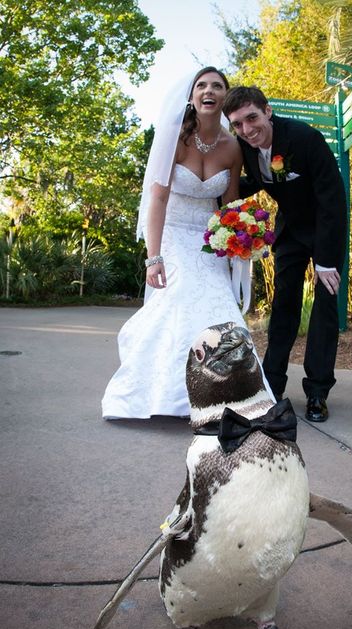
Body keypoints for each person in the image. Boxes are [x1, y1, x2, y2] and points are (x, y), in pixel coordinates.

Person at [102, 67, 248, 419]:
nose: (209, 90)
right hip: (172, 233)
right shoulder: (174, 139)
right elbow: (158, 201)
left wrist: (237, 246)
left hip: (208, 240)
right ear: (192, 96)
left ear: (224, 96)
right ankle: (168, 394)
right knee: (181, 300)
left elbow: (228, 208)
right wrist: (154, 258)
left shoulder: (232, 148)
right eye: (201, 85)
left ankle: (228, 393)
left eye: (217, 85)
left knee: (220, 308)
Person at [223, 86, 347, 423]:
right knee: (283, 308)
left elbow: (332, 200)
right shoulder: (246, 148)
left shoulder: (305, 138)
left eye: (252, 118)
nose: (247, 129)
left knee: (324, 309)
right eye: (238, 124)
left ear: (267, 110)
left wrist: (326, 261)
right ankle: (271, 386)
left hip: (325, 232)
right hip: (290, 232)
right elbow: (261, 181)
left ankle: (318, 393)